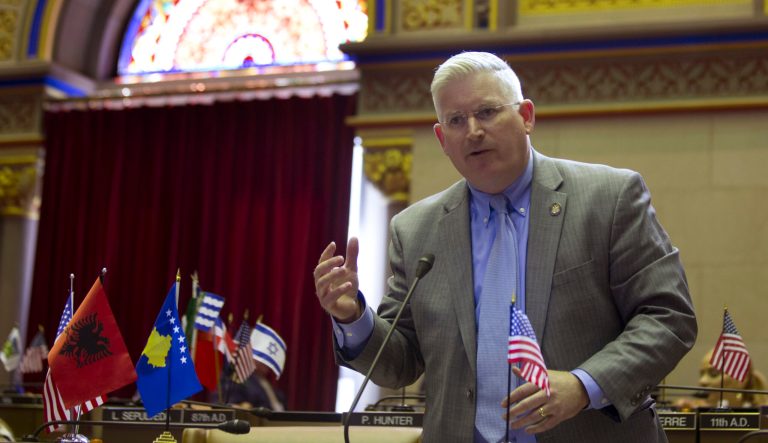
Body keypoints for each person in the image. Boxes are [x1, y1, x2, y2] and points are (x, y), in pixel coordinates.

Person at [313, 51, 697, 442]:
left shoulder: (609, 198)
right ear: (443, 139)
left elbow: (668, 317)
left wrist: (584, 386)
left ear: (526, 117)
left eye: (488, 112)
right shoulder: (415, 230)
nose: (474, 131)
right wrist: (352, 318)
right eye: (457, 121)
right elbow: (400, 362)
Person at [674, 348, 767, 409]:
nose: (702, 381)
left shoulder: (763, 416)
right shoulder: (694, 408)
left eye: (714, 374)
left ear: (742, 377)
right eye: (702, 374)